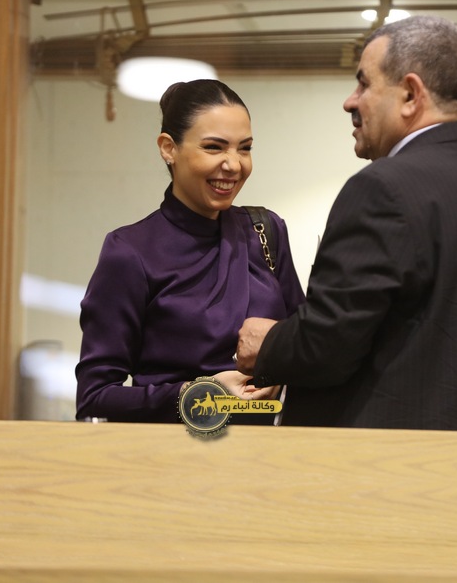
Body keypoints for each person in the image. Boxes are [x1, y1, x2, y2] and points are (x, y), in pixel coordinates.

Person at [234, 15, 457, 431]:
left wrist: (268, 345)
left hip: (387, 462)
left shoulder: (383, 188)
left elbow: (329, 345)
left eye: (364, 84)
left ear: (411, 95)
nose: (350, 102)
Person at [76, 79, 305, 423]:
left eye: (244, 148)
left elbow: (306, 349)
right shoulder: (130, 252)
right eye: (214, 147)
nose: (234, 165)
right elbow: (94, 399)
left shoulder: (265, 231)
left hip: (267, 449)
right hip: (175, 452)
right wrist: (198, 394)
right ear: (168, 148)